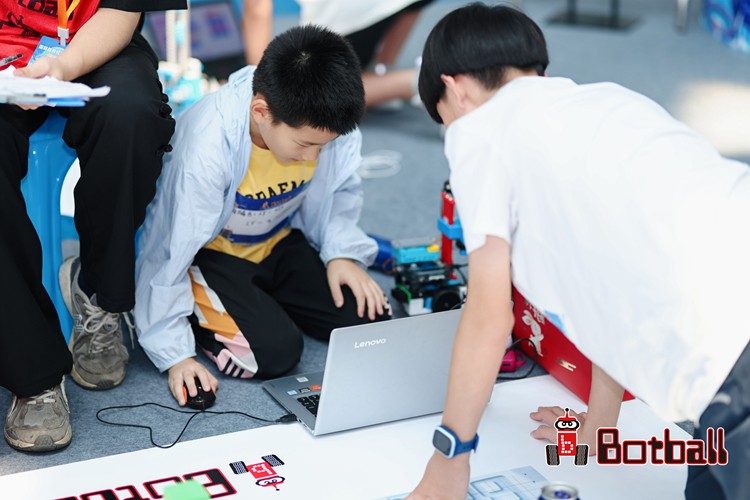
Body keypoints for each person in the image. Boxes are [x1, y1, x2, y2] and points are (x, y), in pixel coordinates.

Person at [408, 3, 750, 499]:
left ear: (455, 89)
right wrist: (599, 423)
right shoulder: (611, 103)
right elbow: (613, 270)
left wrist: (449, 460)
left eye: (445, 120)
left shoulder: (477, 131)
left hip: (730, 357)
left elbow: (488, 317)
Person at [135, 25, 391, 406]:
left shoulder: (327, 119)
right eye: (305, 144)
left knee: (369, 318)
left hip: (279, 238)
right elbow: (168, 249)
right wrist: (175, 355)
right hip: (212, 256)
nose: (312, 157)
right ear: (261, 112)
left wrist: (341, 253)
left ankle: (257, 304)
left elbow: (340, 193)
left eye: (322, 147)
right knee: (274, 354)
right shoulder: (206, 149)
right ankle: (202, 314)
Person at [0, 0, 183, 452]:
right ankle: (33, 375)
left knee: (131, 115)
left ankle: (97, 293)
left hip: (95, 39)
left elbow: (123, 9)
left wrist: (64, 66)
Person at [242, 0, 434, 107]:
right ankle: (382, 70)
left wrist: (261, 87)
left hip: (348, 11)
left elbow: (257, 7)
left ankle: (416, 82)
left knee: (303, 99)